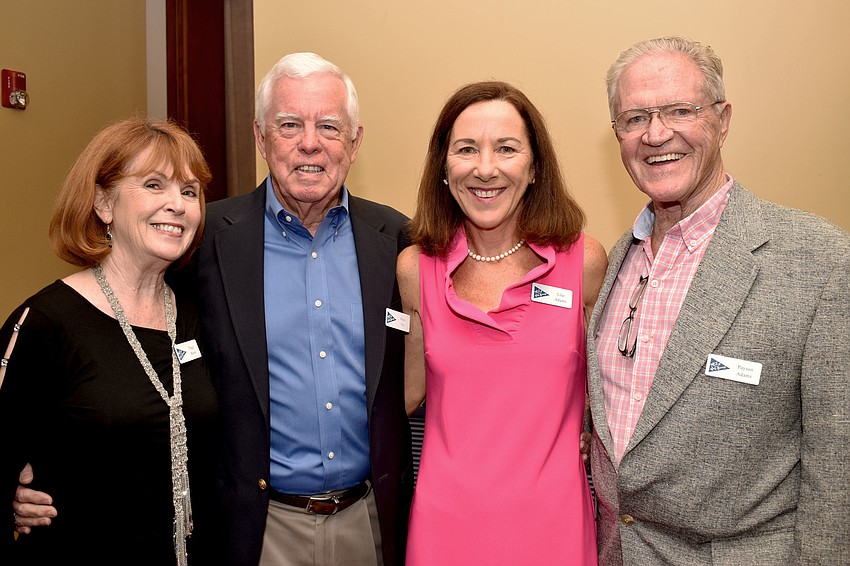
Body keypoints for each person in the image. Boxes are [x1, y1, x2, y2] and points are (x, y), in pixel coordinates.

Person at [587, 36, 850, 565]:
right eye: (635, 118)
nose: (656, 134)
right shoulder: (615, 260)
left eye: (680, 110)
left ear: (722, 119)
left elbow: (837, 464)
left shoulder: (818, 259)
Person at [400, 81, 606, 565]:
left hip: (554, 528)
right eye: (466, 149)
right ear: (444, 168)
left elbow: (614, 393)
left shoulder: (584, 262)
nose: (485, 168)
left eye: (507, 149)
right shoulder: (414, 269)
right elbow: (402, 397)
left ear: (534, 168)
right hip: (444, 530)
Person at [0, 117, 220, 565]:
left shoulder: (199, 311)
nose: (177, 205)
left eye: (189, 191)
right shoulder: (45, 323)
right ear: (103, 203)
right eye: (154, 185)